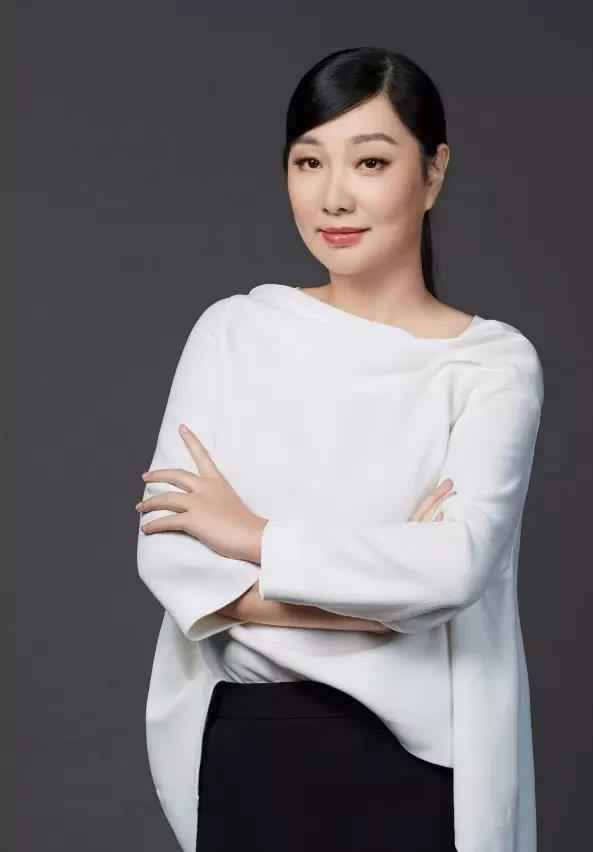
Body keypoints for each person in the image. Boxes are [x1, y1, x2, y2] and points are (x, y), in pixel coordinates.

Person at [135, 47, 544, 852]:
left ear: (433, 172)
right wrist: (384, 609)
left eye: (371, 162)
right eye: (309, 161)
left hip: (412, 769)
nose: (334, 196)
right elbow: (173, 560)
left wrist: (253, 536)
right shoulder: (235, 333)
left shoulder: (489, 364)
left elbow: (453, 568)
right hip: (251, 746)